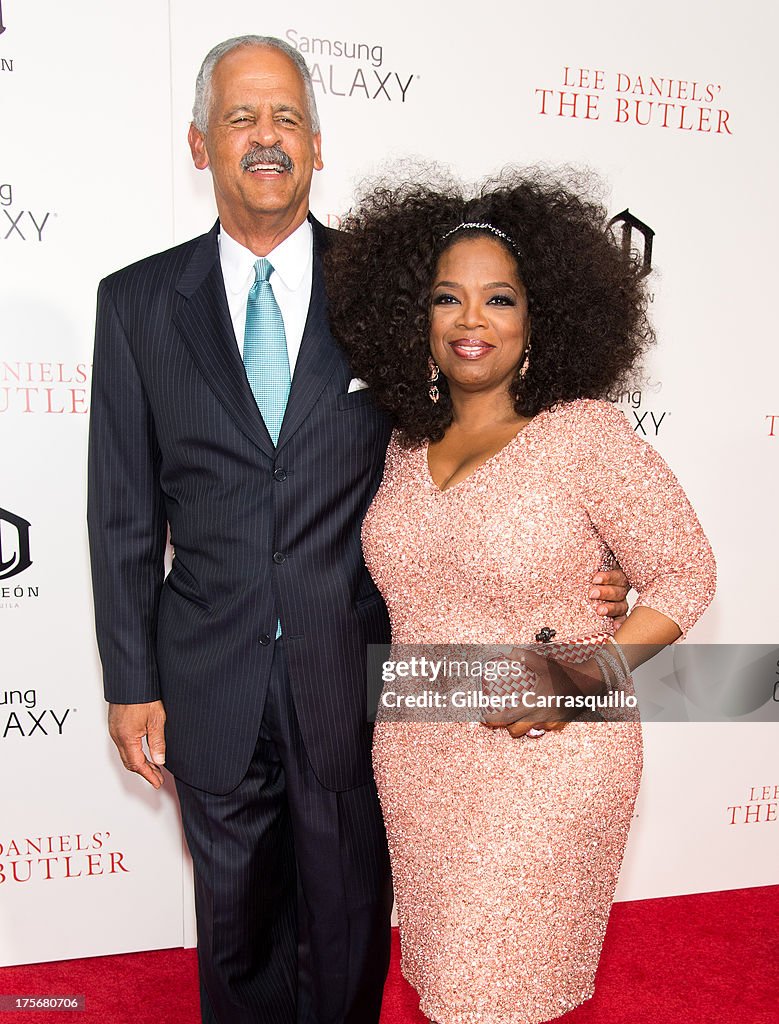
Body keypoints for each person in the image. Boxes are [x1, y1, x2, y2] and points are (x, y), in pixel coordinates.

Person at [86, 37, 630, 1024]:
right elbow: (122, 510)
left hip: (357, 668)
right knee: (234, 915)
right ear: (199, 141)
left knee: (344, 914)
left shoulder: (387, 295)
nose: (266, 137)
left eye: (287, 117)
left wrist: (591, 564)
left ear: (318, 146)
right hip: (206, 668)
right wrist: (131, 684)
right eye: (243, 117)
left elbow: (495, 426)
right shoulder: (134, 305)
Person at [325, 172, 717, 1024]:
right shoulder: (398, 445)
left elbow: (688, 574)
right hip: (417, 755)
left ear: (540, 315)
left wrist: (575, 677)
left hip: (550, 757)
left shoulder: (583, 433)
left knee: (491, 993)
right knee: (446, 989)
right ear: (415, 319)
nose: (472, 320)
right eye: (446, 298)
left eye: (498, 297)